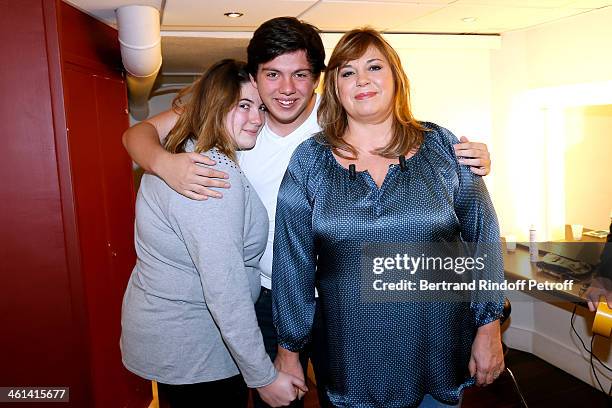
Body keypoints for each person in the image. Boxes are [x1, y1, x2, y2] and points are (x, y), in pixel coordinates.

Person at [122, 17, 493, 407]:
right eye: (272, 75)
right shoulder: (237, 114)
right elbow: (136, 134)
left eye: (300, 74)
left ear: (319, 79)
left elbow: (398, 135)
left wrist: (465, 159)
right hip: (261, 296)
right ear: (254, 75)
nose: (286, 89)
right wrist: (164, 163)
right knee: (272, 398)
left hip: (339, 300)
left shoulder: (337, 120)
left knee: (343, 397)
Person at [271, 28, 505, 407]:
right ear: (334, 88)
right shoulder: (310, 161)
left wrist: (489, 326)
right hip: (352, 365)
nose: (361, 80)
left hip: (437, 356)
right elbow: (291, 264)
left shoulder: (444, 147)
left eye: (374, 67)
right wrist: (289, 350)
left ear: (396, 78)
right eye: (347, 72)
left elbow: (484, 239)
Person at [120, 59, 306, 408]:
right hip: (197, 346)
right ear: (214, 107)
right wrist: (263, 377)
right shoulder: (210, 174)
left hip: (176, 337)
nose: (257, 119)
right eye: (244, 106)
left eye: (261, 108)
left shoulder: (183, 151)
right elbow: (225, 290)